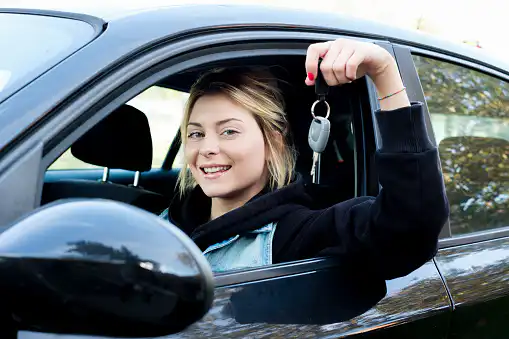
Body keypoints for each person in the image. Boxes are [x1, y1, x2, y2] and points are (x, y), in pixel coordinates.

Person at [160, 38, 449, 279]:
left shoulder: (295, 233)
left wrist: (384, 71)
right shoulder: (167, 217)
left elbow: (410, 228)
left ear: (273, 140)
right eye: (196, 134)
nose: (207, 148)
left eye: (229, 131)